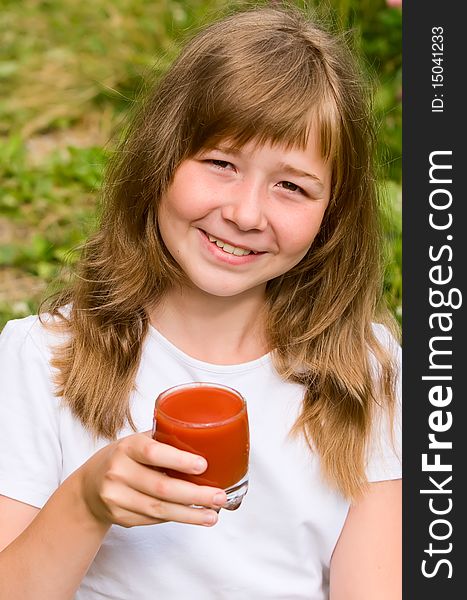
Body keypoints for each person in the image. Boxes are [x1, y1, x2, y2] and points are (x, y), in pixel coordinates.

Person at [0, 5, 401, 599]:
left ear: (332, 215)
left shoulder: (366, 373)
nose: (244, 214)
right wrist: (86, 503)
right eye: (220, 164)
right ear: (159, 161)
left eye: (291, 186)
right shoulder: (42, 360)